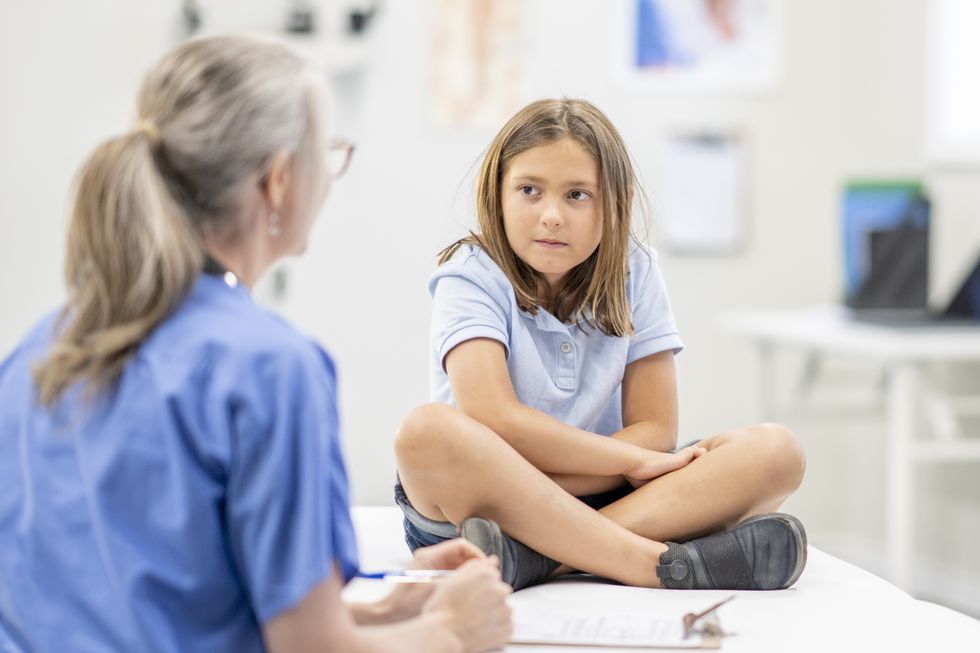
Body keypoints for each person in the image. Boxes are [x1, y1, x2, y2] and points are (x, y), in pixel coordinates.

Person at [0, 36, 511, 653]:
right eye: (329, 154)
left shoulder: (42, 348)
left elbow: (138, 606)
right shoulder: (269, 369)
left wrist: (363, 611)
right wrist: (453, 631)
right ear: (279, 180)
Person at [394, 98, 808, 592]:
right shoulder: (470, 275)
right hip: (489, 501)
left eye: (577, 195)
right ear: (497, 194)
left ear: (617, 201)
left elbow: (655, 429)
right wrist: (628, 463)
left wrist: (611, 470)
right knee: (425, 432)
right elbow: (493, 419)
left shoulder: (637, 270)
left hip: (593, 498)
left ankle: (537, 559)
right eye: (529, 190)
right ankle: (650, 562)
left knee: (776, 452)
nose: (551, 216)